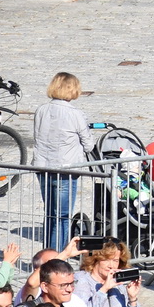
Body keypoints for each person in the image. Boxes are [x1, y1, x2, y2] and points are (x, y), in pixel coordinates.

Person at [33, 72, 95, 253]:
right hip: (65, 169)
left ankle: (47, 255)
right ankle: (57, 258)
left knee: (50, 214)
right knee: (62, 217)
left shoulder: (41, 110)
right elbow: (89, 144)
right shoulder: (75, 114)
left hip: (43, 167)